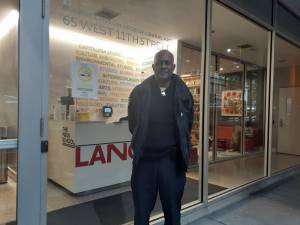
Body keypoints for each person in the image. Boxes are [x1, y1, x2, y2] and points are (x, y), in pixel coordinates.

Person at [128, 49, 194, 225]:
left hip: (172, 163)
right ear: (153, 66)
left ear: (173, 66)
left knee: (172, 212)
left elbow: (187, 124)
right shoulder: (139, 92)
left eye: (167, 62)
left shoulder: (183, 92)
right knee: (141, 213)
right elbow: (133, 124)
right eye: (159, 62)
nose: (163, 66)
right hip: (144, 162)